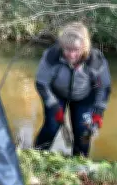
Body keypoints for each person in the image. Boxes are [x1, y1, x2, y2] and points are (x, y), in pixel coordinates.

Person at [33, 22, 111, 157]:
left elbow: (103, 87)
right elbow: (41, 83)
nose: (72, 55)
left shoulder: (95, 60)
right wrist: (53, 105)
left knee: (83, 133)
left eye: (76, 50)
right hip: (57, 94)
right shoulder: (52, 56)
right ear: (62, 46)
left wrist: (99, 110)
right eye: (67, 49)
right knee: (51, 127)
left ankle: (79, 164)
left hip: (85, 97)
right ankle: (36, 157)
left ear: (84, 47)